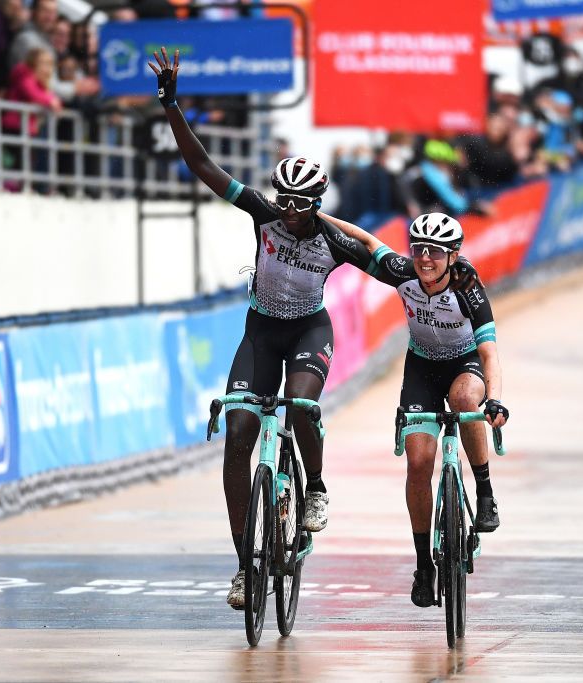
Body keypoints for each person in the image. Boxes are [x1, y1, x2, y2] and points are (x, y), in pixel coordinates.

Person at [148, 46, 482, 609]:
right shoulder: (265, 215)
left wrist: (444, 271)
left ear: (318, 204)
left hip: (308, 331)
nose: (293, 212)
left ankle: (316, 488)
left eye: (304, 205)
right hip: (260, 331)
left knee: (301, 407)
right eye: (287, 202)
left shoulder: (334, 240)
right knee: (236, 438)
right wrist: (172, 105)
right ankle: (243, 567)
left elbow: (400, 269)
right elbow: (205, 167)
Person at [321, 211, 509, 608]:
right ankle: (424, 564)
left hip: (465, 363)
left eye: (435, 253)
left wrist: (495, 398)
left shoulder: (468, 286)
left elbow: (490, 352)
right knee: (420, 462)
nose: (425, 259)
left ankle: (486, 492)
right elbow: (369, 242)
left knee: (464, 402)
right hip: (422, 366)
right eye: (419, 249)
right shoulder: (403, 272)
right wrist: (317, 214)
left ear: (453, 256)